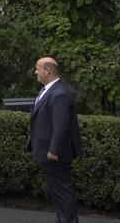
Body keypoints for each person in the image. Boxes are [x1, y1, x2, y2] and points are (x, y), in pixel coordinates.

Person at [28, 57, 83, 223]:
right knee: (58, 193)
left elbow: (61, 126)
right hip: (48, 152)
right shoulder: (49, 90)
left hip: (55, 154)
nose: (35, 72)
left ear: (48, 71)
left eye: (38, 68)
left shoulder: (59, 93)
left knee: (63, 193)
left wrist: (54, 150)